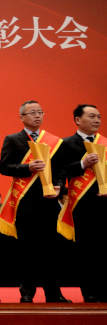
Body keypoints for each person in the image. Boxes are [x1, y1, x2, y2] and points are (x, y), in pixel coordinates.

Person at [0, 100, 70, 303]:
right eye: (32, 112)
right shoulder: (13, 139)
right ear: (22, 117)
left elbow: (61, 169)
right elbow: (4, 167)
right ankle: (27, 292)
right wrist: (27, 168)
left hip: (49, 202)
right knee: (26, 250)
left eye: (40, 112)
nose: (37, 115)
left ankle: (53, 293)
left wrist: (58, 186)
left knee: (51, 250)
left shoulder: (54, 141)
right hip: (25, 203)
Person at [56, 104, 106, 302]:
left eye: (99, 117)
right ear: (78, 120)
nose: (97, 120)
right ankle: (90, 291)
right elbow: (60, 170)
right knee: (87, 249)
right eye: (92, 116)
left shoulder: (105, 143)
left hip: (104, 203)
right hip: (82, 204)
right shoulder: (66, 143)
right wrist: (82, 164)